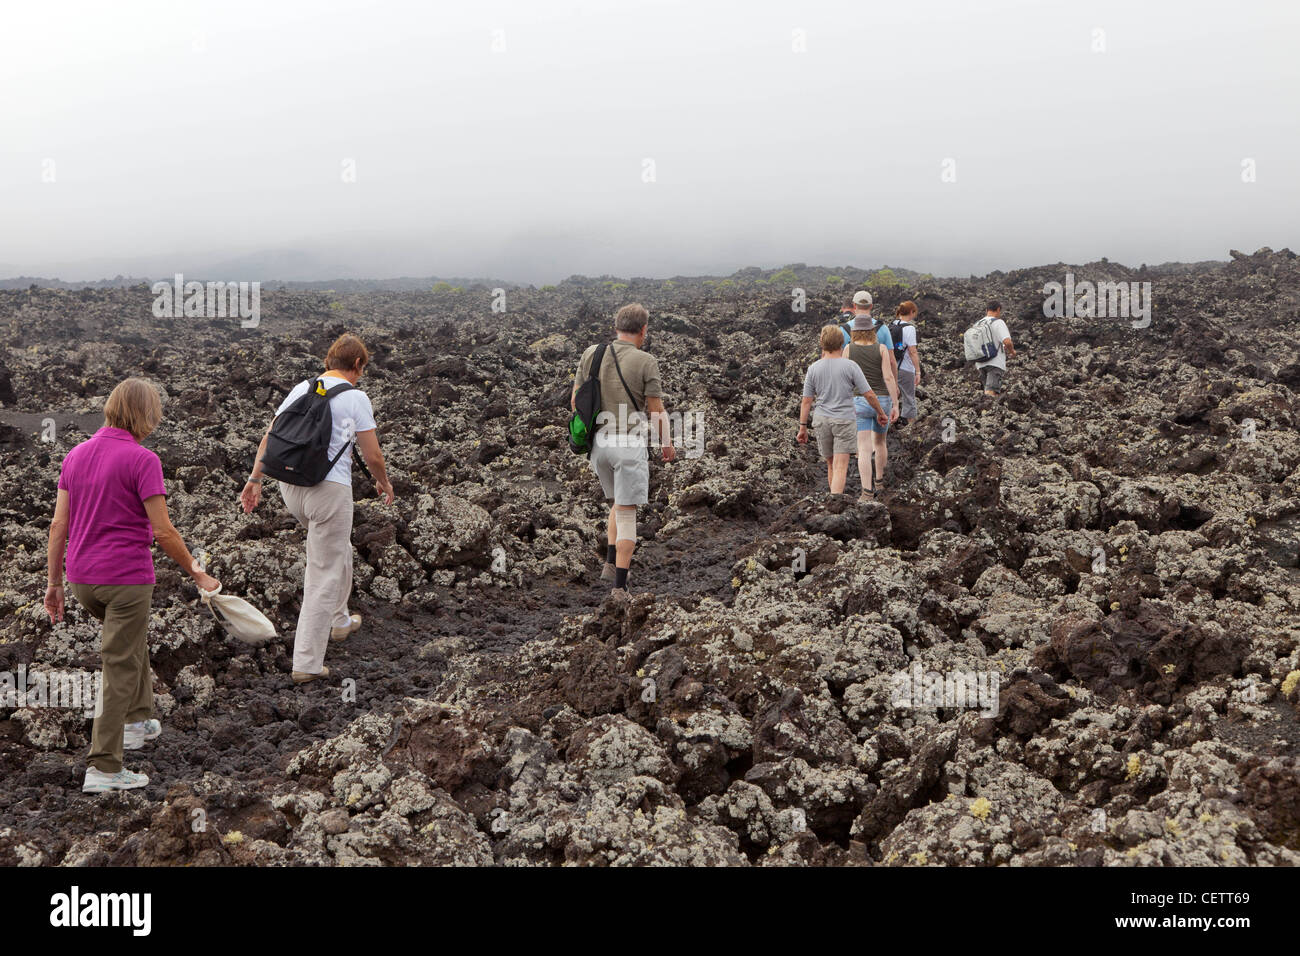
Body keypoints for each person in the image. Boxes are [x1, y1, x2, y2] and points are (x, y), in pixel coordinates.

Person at [45, 378, 221, 793]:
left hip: (81, 580)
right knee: (119, 666)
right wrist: (197, 571)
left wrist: (53, 584)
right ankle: (104, 767)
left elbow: (58, 525)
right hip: (125, 579)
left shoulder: (75, 455)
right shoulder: (143, 460)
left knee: (129, 641)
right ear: (146, 415)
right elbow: (163, 531)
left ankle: (139, 722)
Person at [240, 333, 394, 684]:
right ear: (357, 365)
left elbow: (271, 436)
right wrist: (383, 482)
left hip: (289, 487)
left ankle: (339, 621)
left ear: (329, 361)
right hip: (328, 490)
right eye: (362, 370)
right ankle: (306, 663)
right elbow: (373, 455)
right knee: (323, 570)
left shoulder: (302, 388)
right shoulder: (356, 397)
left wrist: (254, 479)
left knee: (339, 548)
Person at [571, 304, 675, 593]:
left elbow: (576, 403)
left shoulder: (591, 354)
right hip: (628, 446)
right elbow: (656, 410)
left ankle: (608, 564)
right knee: (628, 513)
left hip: (599, 448)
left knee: (618, 501)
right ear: (643, 330)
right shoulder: (645, 361)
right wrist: (666, 443)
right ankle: (620, 588)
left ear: (616, 326)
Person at [798, 324, 887, 495]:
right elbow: (868, 394)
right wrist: (880, 413)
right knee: (841, 466)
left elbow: (806, 401)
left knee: (831, 464)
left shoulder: (813, 368)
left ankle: (833, 500)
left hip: (822, 420)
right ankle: (834, 504)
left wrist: (803, 427)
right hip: (844, 420)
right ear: (842, 343)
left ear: (821, 343)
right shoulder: (850, 366)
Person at [844, 315, 899, 498]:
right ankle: (880, 481)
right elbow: (889, 377)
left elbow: (845, 380)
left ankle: (866, 491)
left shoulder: (848, 349)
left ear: (854, 331)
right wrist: (896, 403)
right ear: (872, 331)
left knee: (864, 447)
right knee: (880, 442)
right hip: (882, 400)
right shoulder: (881, 348)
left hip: (859, 401)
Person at [974, 301, 1015, 396]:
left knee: (989, 391)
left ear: (986, 310)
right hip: (994, 362)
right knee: (991, 392)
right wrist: (1012, 351)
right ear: (998, 310)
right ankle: (988, 409)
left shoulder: (977, 324)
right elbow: (1007, 341)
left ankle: (988, 408)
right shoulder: (998, 322)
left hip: (980, 362)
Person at [892, 301, 921, 424]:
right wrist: (918, 371)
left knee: (891, 396)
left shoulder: (892, 325)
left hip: (891, 366)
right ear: (911, 312)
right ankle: (912, 428)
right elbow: (912, 351)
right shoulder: (909, 328)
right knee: (909, 398)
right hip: (905, 368)